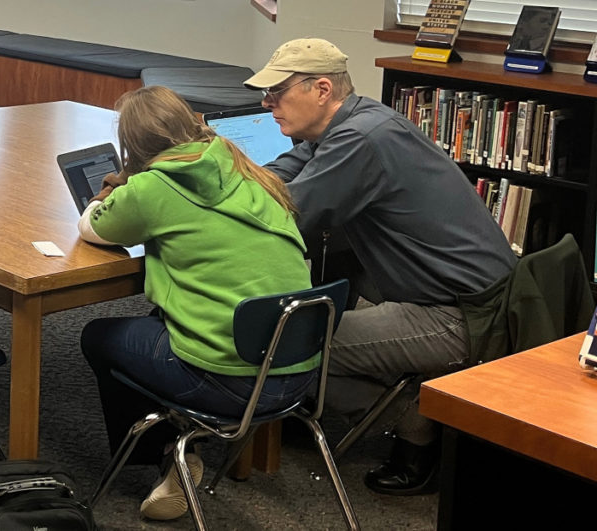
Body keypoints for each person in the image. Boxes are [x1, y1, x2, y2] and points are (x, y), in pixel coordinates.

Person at [243, 38, 518, 495]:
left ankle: (420, 423)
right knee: (316, 316)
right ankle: (322, 401)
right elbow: (273, 176)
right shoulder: (353, 122)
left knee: (282, 346)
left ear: (322, 90)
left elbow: (289, 217)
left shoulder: (360, 139)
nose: (267, 103)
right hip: (455, 297)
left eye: (278, 92)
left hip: (462, 315)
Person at [78, 86, 314, 521]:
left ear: (133, 147)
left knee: (98, 335)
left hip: (230, 381)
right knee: (159, 318)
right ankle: (185, 446)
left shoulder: (153, 186)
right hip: (297, 371)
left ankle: (166, 453)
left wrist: (116, 188)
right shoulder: (248, 170)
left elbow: (93, 228)